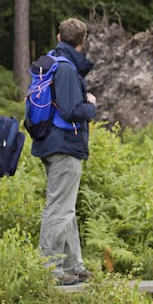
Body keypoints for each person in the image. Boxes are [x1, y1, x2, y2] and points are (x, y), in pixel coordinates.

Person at [30, 18, 98, 286]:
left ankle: (73, 265)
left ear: (59, 36)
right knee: (59, 207)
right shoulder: (67, 69)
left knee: (65, 206)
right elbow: (72, 111)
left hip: (48, 141)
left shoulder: (49, 62)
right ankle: (49, 269)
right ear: (82, 42)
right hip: (64, 145)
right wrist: (90, 105)